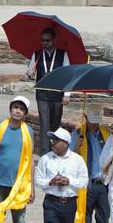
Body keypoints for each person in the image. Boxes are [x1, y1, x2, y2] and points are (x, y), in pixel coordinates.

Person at [35, 128, 89, 223]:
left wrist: (69, 181)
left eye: (56, 140)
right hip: (52, 201)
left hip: (69, 202)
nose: (52, 142)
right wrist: (50, 182)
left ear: (65, 143)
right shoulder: (46, 159)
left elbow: (84, 181)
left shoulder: (77, 160)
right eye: (52, 139)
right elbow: (39, 180)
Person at [72, 107, 111, 223]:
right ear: (86, 118)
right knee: (85, 221)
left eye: (97, 122)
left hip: (102, 183)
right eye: (92, 122)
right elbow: (69, 157)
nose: (94, 125)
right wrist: (77, 146)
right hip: (85, 183)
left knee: (103, 220)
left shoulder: (106, 135)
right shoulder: (78, 134)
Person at [26, 27, 69, 155]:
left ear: (54, 40)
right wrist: (30, 73)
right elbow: (29, 74)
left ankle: (55, 152)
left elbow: (68, 75)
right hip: (42, 94)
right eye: (43, 40)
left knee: (55, 125)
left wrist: (67, 94)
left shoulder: (62, 54)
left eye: (48, 40)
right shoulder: (37, 54)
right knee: (44, 125)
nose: (45, 43)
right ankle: (44, 155)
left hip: (57, 94)